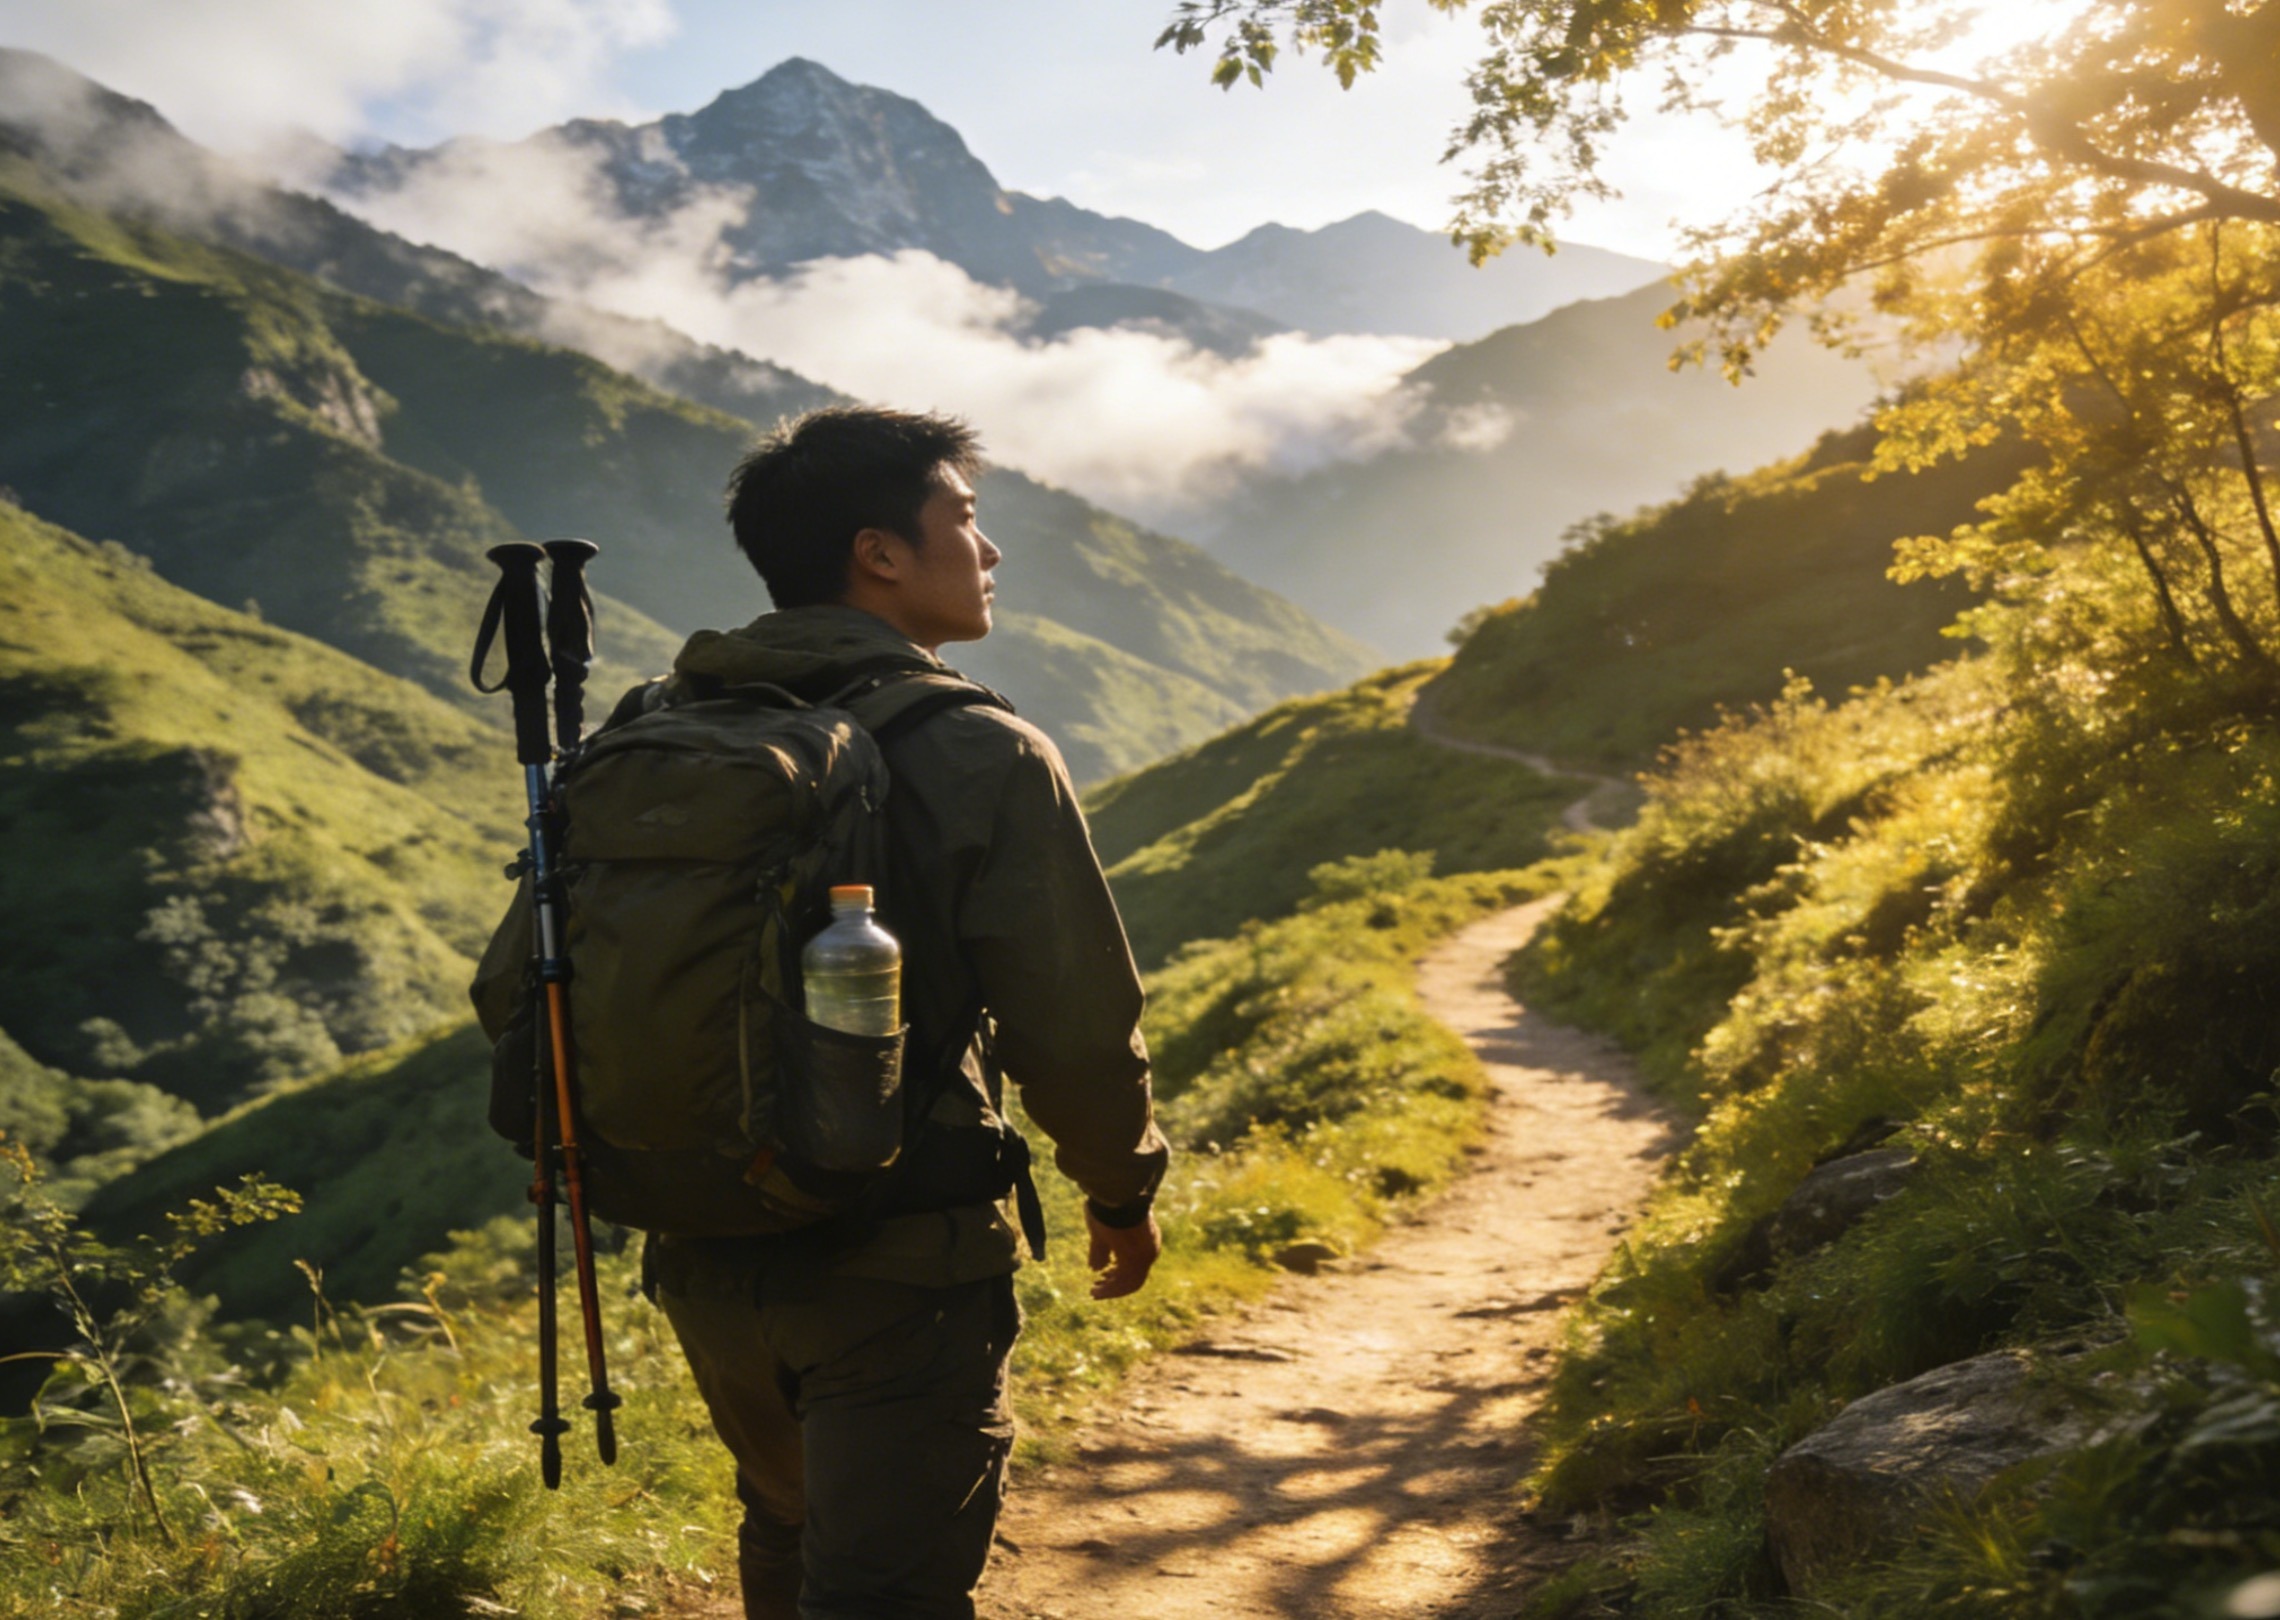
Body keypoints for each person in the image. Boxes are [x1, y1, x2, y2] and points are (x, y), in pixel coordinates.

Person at [642, 405, 1169, 1620]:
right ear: (880, 553)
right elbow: (1075, 1027)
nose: (990, 554)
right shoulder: (980, 749)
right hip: (896, 1259)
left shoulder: (670, 721)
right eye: (968, 522)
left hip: (702, 1244)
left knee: (787, 1527)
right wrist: (1120, 1189)